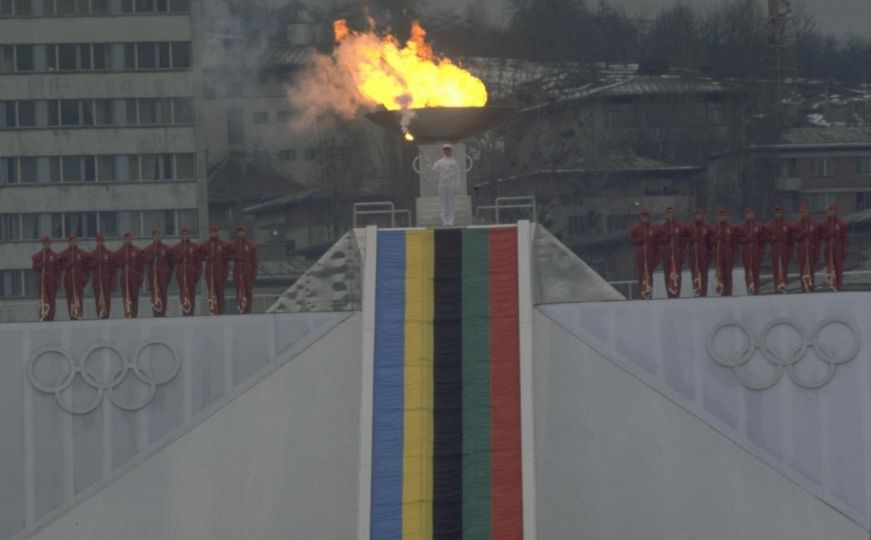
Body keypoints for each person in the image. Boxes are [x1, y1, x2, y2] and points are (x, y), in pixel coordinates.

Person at [199, 224, 229, 315]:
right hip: (210, 270)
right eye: (212, 232)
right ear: (209, 233)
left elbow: (226, 260)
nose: (213, 234)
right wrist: (206, 258)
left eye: (215, 232)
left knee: (220, 291)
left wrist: (225, 273)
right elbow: (200, 255)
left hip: (220, 270)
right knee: (211, 291)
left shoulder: (223, 244)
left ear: (218, 232)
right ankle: (213, 310)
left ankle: (221, 311)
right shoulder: (205, 244)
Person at [142, 229, 173, 317]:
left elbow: (171, 262)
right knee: (154, 293)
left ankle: (163, 312)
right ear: (152, 237)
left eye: (158, 235)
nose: (157, 237)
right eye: (155, 235)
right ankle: (156, 312)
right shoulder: (148, 249)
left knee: (163, 293)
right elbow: (145, 261)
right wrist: (152, 255)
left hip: (163, 273)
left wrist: (168, 273)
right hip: (153, 273)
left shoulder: (166, 248)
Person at [227, 224, 258, 314]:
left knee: (248, 291)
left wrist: (254, 272)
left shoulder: (251, 245)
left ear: (245, 232)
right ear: (237, 233)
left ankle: (248, 310)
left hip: (247, 268)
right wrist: (234, 257)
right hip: (237, 268)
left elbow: (255, 260)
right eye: (239, 232)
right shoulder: (232, 244)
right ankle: (241, 309)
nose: (241, 233)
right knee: (239, 290)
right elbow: (227, 256)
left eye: (242, 231)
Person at [628, 209, 658, 300]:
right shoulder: (635, 228)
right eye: (643, 217)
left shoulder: (653, 228)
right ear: (641, 218)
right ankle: (642, 294)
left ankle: (649, 294)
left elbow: (657, 243)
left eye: (646, 217)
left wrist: (657, 256)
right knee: (641, 275)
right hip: (641, 255)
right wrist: (641, 239)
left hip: (650, 254)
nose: (645, 218)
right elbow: (631, 240)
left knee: (649, 274)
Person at [172, 226, 201, 316]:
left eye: (187, 234)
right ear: (181, 235)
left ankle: (191, 312)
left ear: (189, 235)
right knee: (183, 291)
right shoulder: (176, 247)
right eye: (183, 234)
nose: (185, 236)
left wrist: (197, 275)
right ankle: (185, 311)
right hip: (181, 272)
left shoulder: (195, 246)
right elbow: (173, 261)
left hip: (191, 272)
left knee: (191, 292)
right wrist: (181, 255)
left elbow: (199, 263)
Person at [58, 235, 89, 320]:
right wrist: (69, 264)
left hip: (79, 279)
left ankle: (79, 315)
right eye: (71, 241)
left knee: (79, 298)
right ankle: (72, 316)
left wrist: (85, 278)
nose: (72, 243)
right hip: (69, 280)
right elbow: (60, 266)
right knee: (70, 298)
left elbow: (87, 267)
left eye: (74, 241)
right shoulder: (64, 254)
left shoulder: (82, 253)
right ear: (69, 242)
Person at [735, 208, 765, 295]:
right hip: (747, 250)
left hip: (756, 249)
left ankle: (757, 290)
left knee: (756, 271)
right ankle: (749, 288)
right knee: (748, 270)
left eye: (751, 214)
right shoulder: (741, 227)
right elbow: (738, 239)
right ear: (745, 215)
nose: (749, 215)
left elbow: (762, 240)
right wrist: (746, 239)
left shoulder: (758, 226)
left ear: (753, 214)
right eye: (748, 214)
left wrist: (762, 252)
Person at [115, 232, 144, 318]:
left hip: (134, 276)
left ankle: (134, 315)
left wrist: (140, 278)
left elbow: (141, 266)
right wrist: (122, 263)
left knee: (134, 297)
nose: (127, 240)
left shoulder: (136, 250)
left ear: (131, 239)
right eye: (126, 239)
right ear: (124, 240)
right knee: (126, 297)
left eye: (129, 238)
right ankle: (127, 314)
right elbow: (115, 263)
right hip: (125, 276)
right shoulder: (120, 251)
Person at [819, 203, 848, 291]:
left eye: (833, 211)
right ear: (828, 212)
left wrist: (844, 249)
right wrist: (829, 234)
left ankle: (838, 286)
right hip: (828, 249)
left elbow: (844, 238)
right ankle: (832, 284)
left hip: (838, 249)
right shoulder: (823, 224)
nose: (831, 213)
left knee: (839, 268)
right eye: (830, 211)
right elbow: (821, 237)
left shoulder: (841, 223)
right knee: (830, 266)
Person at [31, 236, 60, 322]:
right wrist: (41, 264)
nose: (46, 245)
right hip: (42, 281)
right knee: (44, 299)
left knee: (52, 300)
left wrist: (57, 281)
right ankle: (44, 317)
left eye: (48, 243)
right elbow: (34, 267)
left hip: (52, 281)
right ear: (42, 244)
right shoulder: (39, 255)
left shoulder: (54, 255)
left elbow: (58, 270)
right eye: (45, 243)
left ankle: (51, 318)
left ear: (50, 244)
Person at [657, 207, 684, 298]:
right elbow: (659, 241)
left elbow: (683, 242)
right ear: (666, 215)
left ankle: (677, 293)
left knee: (677, 274)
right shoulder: (662, 227)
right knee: (668, 274)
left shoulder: (679, 226)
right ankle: (669, 294)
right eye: (668, 213)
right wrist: (667, 236)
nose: (670, 215)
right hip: (667, 255)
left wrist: (682, 254)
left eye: (671, 213)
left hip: (677, 254)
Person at [683, 208, 711, 297]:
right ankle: (696, 291)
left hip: (703, 252)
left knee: (704, 274)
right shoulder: (690, 226)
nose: (698, 216)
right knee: (694, 272)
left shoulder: (706, 226)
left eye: (700, 214)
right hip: (693, 252)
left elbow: (709, 241)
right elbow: (684, 238)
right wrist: (691, 239)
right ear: (694, 216)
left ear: (702, 216)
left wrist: (709, 253)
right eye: (697, 215)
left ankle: (704, 293)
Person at [792, 203, 819, 293]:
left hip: (811, 248)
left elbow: (817, 239)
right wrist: (803, 233)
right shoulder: (797, 225)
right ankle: (804, 287)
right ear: (801, 213)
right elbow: (794, 238)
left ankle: (811, 286)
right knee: (802, 268)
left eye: (806, 211)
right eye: (803, 212)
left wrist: (817, 251)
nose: (805, 213)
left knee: (811, 268)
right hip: (802, 248)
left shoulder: (814, 224)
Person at [765, 206, 792, 294]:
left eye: (779, 213)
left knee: (784, 268)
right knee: (776, 269)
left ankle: (784, 286)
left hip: (784, 248)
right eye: (776, 213)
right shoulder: (769, 225)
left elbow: (790, 238)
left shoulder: (787, 225)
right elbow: (766, 237)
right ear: (774, 214)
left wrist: (789, 250)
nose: (778, 214)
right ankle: (777, 287)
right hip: (775, 248)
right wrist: (773, 238)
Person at [709, 209, 736, 297]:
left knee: (728, 274)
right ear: (717, 217)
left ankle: (729, 293)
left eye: (723, 215)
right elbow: (710, 241)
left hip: (728, 254)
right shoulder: (714, 228)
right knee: (720, 274)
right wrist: (716, 239)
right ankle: (722, 292)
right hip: (719, 254)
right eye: (720, 216)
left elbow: (734, 243)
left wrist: (734, 255)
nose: (721, 217)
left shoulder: (730, 227)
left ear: (726, 216)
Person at [432, 143, 460, 226]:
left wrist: (456, 186)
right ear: (443, 151)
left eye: (448, 150)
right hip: (442, 181)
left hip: (451, 181)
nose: (447, 151)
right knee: (443, 202)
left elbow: (458, 174)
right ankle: (444, 221)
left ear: (450, 151)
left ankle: (451, 220)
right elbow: (434, 169)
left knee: (451, 202)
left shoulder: (454, 162)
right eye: (445, 150)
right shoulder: (439, 161)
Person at [89, 233, 116, 319]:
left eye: (101, 241)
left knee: (107, 299)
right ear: (96, 242)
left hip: (106, 280)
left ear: (104, 241)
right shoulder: (92, 254)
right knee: (98, 299)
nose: (100, 243)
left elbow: (112, 269)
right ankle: (99, 315)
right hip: (97, 280)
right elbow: (89, 267)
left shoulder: (109, 253)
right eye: (98, 241)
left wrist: (112, 281)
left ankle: (107, 316)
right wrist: (97, 263)